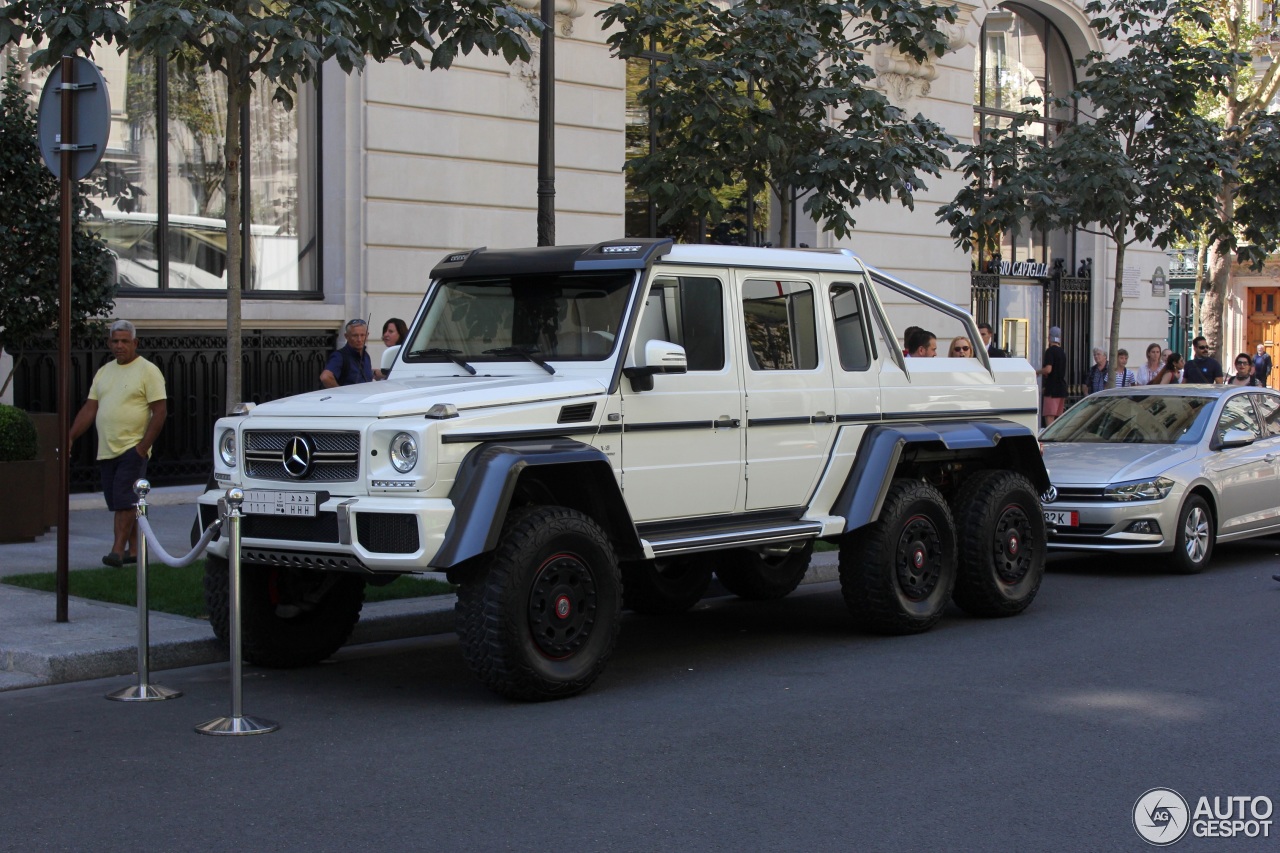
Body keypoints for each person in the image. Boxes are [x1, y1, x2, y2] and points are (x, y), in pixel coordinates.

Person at [68, 320, 168, 568]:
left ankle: (117, 552)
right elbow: (90, 408)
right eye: (115, 341)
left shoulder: (148, 370)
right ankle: (134, 549)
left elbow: (161, 411)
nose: (119, 345)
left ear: (135, 343)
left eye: (125, 341)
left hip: (132, 449)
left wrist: (142, 447)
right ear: (109, 343)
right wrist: (70, 436)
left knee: (124, 501)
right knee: (121, 501)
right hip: (107, 449)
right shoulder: (104, 372)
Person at [320, 319, 373, 387]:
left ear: (367, 335)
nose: (359, 339)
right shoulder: (339, 357)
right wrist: (342, 394)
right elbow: (325, 377)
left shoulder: (366, 356)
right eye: (355, 335)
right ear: (346, 336)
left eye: (362, 335)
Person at [1038, 326, 1067, 426]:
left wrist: (1037, 372)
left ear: (1049, 337)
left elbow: (1048, 369)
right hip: (1061, 388)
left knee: (1049, 416)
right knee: (1058, 418)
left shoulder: (1050, 351)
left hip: (1052, 389)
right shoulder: (1062, 352)